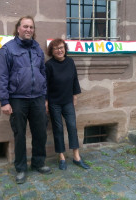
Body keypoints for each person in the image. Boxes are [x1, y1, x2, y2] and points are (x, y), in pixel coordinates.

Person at [0, 16, 52, 184]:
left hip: (37, 98)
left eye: (31, 27)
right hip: (17, 99)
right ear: (18, 28)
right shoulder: (7, 49)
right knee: (20, 134)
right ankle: (21, 168)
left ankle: (38, 162)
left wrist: (45, 96)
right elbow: (1, 76)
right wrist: (4, 101)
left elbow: (42, 73)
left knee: (40, 132)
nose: (29, 30)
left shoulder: (37, 49)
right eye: (25, 26)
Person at [45, 38, 90, 170]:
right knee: (58, 129)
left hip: (68, 102)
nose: (59, 50)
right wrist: (46, 102)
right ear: (52, 51)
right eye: (56, 48)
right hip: (54, 103)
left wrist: (74, 97)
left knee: (72, 126)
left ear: (65, 49)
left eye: (61, 47)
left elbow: (75, 80)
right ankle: (61, 157)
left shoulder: (70, 62)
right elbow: (45, 85)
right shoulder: (49, 65)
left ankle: (76, 156)